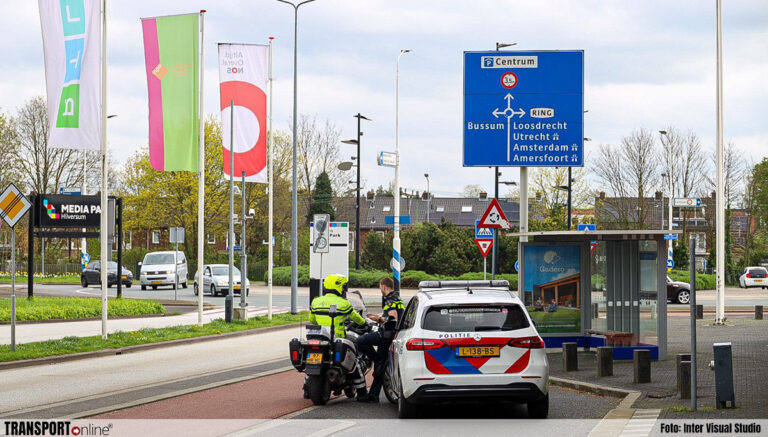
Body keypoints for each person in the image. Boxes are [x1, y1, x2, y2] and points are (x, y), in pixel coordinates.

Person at [307, 274, 369, 400]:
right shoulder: (343, 303)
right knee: (354, 362)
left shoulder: (316, 301)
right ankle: (362, 393)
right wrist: (365, 323)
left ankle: (306, 390)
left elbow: (312, 319)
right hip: (338, 339)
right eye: (343, 286)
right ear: (339, 287)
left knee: (311, 363)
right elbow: (356, 318)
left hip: (319, 338)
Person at [356, 277, 405, 403]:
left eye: (380, 287)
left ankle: (375, 358)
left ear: (384, 287)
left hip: (387, 334)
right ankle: (373, 395)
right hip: (394, 335)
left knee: (360, 341)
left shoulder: (390, 299)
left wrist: (377, 319)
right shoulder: (397, 298)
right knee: (381, 366)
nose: (380, 290)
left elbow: (392, 318)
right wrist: (378, 316)